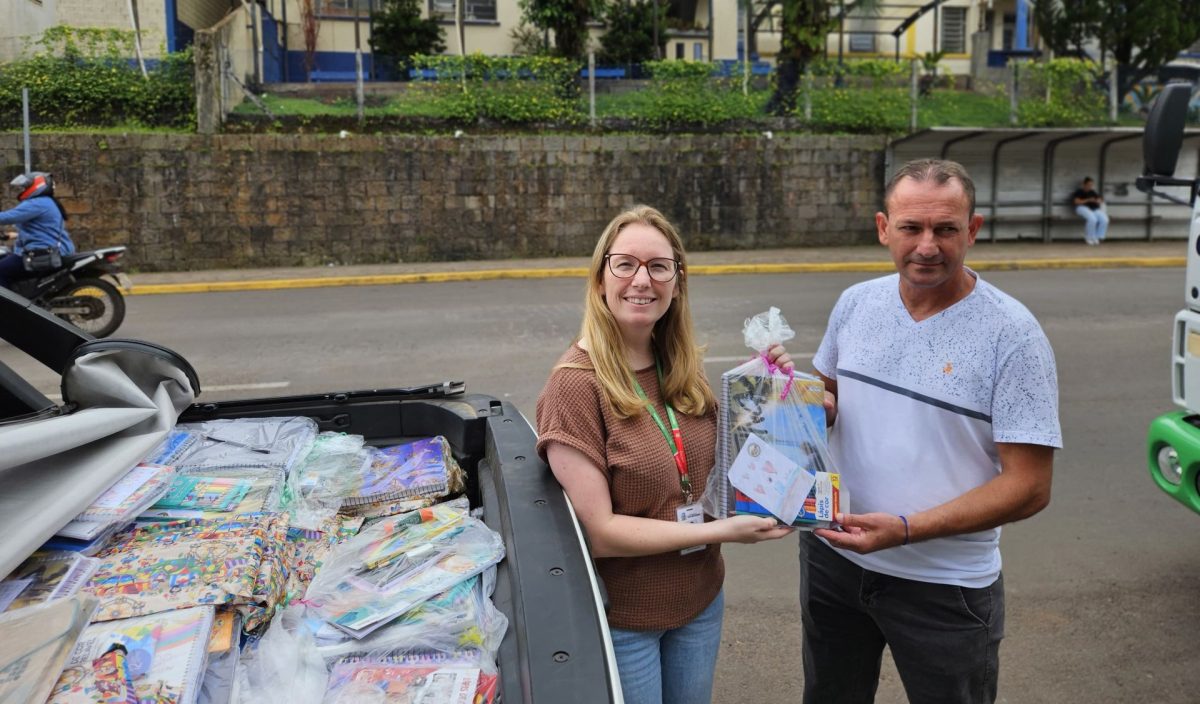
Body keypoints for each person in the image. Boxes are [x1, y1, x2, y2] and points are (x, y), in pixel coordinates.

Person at [803, 159, 1061, 704]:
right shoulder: (856, 303)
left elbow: (1030, 486)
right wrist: (784, 398)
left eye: (946, 229)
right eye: (910, 228)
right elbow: (831, 399)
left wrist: (905, 528)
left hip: (946, 587)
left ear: (973, 230)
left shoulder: (1011, 335)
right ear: (882, 229)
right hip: (835, 562)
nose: (927, 246)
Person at [536, 205, 795, 704]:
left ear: (677, 282)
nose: (642, 280)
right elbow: (601, 534)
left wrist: (758, 386)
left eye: (659, 266)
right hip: (627, 618)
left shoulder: (679, 368)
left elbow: (722, 465)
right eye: (625, 264)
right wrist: (721, 531)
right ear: (599, 279)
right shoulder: (574, 387)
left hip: (700, 600)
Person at [0, 172, 75, 290]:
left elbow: (8, 217)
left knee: (2, 270)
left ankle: (7, 306)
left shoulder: (37, 203)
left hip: (43, 253)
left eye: (26, 187)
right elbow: (43, 229)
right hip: (52, 249)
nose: (23, 189)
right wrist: (16, 235)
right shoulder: (46, 201)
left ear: (37, 186)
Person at [1071, 176, 1109, 245]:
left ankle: (1098, 237)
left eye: (1091, 185)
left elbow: (1100, 199)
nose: (1090, 186)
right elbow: (1076, 202)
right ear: (1084, 184)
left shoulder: (1092, 192)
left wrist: (1098, 201)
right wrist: (1088, 200)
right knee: (1092, 219)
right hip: (1081, 208)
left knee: (1105, 219)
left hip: (1093, 208)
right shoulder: (1079, 192)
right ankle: (1089, 237)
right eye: (1088, 185)